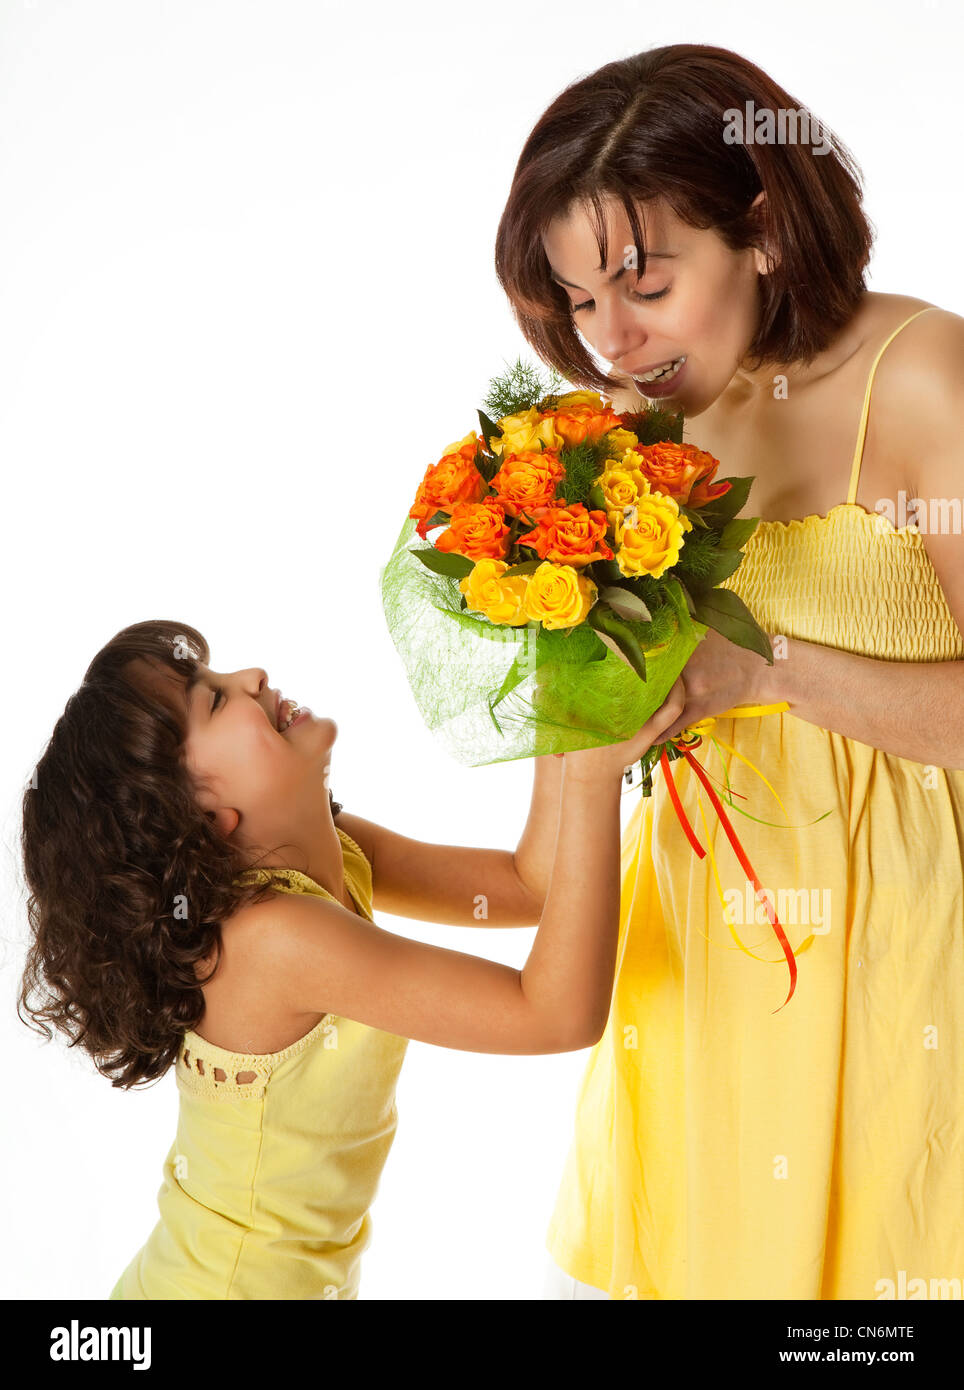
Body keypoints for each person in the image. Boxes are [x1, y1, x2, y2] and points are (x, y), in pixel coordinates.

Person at [495, 42, 964, 1299]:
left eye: (641, 280)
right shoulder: (630, 452)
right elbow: (547, 859)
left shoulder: (919, 377)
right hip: (705, 981)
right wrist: (321, 861)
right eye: (578, 301)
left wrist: (768, 674)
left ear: (759, 224)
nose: (611, 338)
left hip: (915, 968)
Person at [17, 618, 677, 1300]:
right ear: (204, 816)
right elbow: (557, 1015)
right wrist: (598, 773)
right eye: (215, 699)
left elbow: (528, 886)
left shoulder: (328, 853)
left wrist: (564, 701)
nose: (253, 679)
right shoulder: (272, 941)